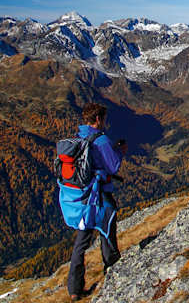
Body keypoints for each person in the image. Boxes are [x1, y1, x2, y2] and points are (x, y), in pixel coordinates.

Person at [66, 102, 128, 301]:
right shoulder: (101, 140)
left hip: (82, 198)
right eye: (104, 119)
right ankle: (113, 272)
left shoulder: (79, 137)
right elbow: (113, 166)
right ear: (99, 119)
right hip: (100, 195)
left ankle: (75, 288)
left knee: (81, 242)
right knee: (107, 233)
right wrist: (120, 150)